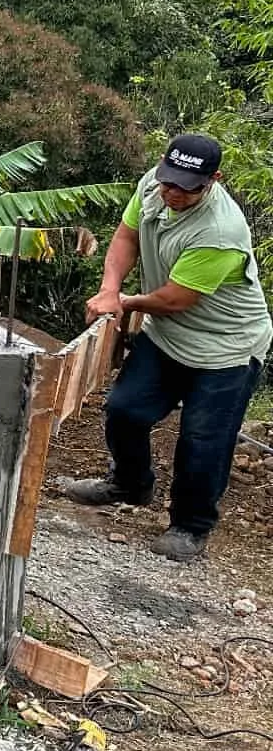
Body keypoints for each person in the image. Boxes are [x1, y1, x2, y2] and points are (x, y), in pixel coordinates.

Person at [64, 133, 271, 561]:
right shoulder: (152, 188)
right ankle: (131, 484)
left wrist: (124, 303)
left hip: (226, 349)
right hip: (168, 334)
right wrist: (108, 289)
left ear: (213, 180)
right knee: (124, 409)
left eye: (185, 187)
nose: (172, 192)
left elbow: (176, 299)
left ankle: (190, 526)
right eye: (168, 181)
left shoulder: (220, 232)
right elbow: (125, 239)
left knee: (203, 438)